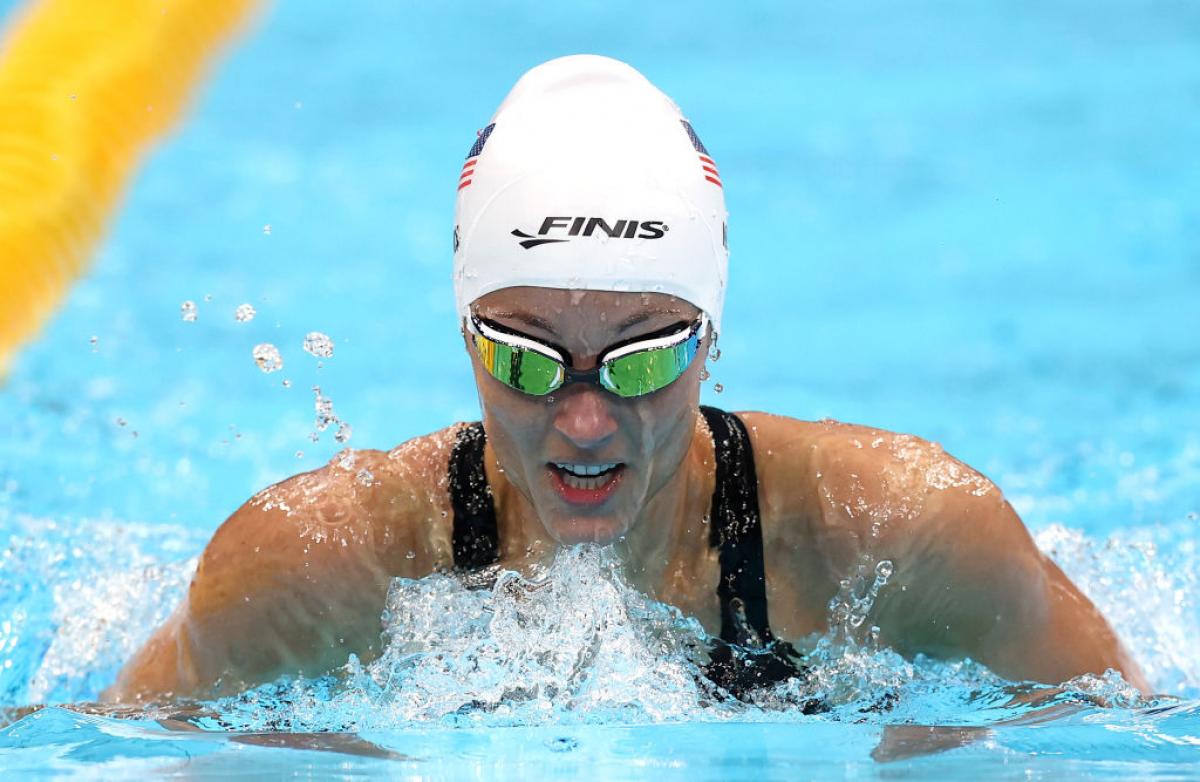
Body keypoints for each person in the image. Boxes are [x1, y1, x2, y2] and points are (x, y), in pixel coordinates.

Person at [105, 54, 1148, 703]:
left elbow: (1126, 732)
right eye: (527, 356)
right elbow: (109, 748)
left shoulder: (904, 534)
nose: (588, 418)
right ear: (465, 337)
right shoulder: (315, 567)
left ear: (712, 337)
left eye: (645, 354)